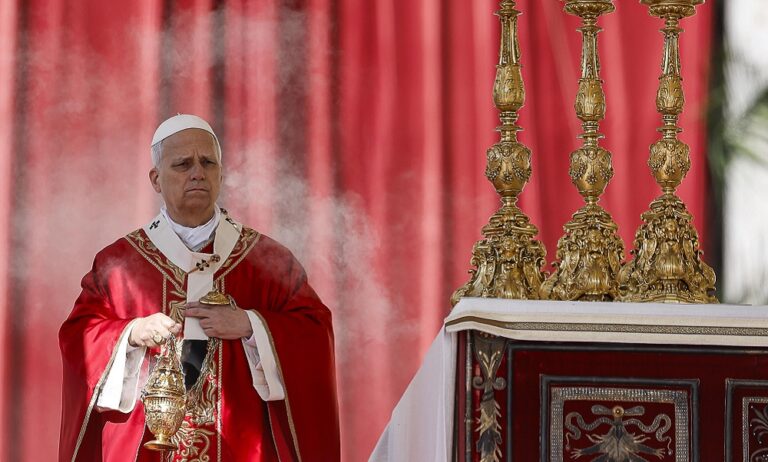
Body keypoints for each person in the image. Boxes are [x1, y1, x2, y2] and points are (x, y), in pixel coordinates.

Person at [58, 114, 340, 461]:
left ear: (220, 172)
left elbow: (314, 330)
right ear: (156, 179)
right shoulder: (118, 264)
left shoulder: (268, 262)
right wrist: (131, 333)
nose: (197, 172)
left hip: (240, 447)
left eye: (208, 162)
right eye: (182, 164)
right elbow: (78, 336)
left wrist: (251, 325)